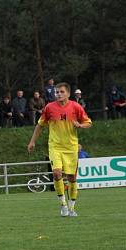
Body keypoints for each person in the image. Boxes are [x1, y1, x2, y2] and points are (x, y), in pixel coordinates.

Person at [27, 82, 92, 217]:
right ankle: (63, 205)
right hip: (55, 146)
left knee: (72, 178)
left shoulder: (76, 106)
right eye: (57, 92)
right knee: (57, 174)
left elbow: (88, 122)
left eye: (62, 92)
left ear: (68, 93)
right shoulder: (49, 108)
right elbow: (40, 125)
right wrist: (32, 141)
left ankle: (72, 208)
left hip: (71, 147)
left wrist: (80, 125)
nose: (58, 94)